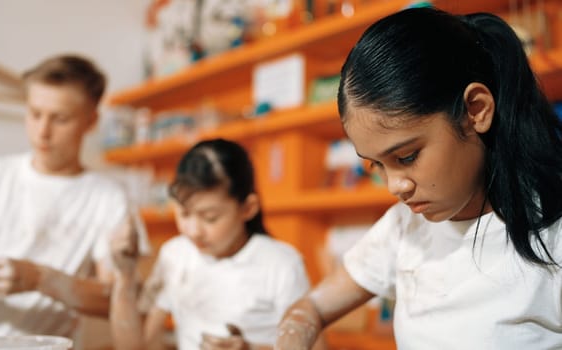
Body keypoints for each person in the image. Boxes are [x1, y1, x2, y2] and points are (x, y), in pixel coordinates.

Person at [276, 7, 562, 350]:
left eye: (407, 157)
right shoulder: (403, 228)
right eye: (376, 165)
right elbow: (310, 309)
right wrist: (295, 333)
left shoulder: (552, 236)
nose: (395, 186)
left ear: (476, 110)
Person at [0, 54, 131, 347]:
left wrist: (41, 278)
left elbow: (115, 299)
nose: (42, 132)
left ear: (91, 120)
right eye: (34, 113)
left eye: (60, 118)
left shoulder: (108, 198)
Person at [109, 138, 326, 350]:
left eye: (210, 217)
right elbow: (139, 344)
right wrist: (125, 276)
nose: (193, 231)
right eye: (184, 213)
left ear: (248, 208)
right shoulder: (175, 255)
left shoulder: (281, 264)